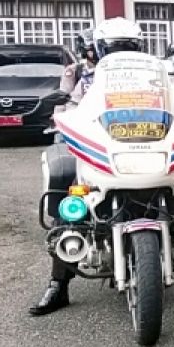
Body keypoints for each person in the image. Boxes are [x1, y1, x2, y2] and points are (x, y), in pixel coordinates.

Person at [28, 17, 147, 316]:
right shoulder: (84, 77)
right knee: (65, 188)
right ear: (100, 48)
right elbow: (66, 109)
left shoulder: (153, 77)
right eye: (115, 47)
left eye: (128, 46)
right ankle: (58, 285)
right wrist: (64, 114)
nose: (121, 52)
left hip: (141, 147)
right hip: (98, 149)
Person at [58, 31, 98, 113]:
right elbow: (63, 97)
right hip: (79, 114)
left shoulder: (109, 69)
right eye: (92, 50)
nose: (96, 53)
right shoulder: (75, 70)